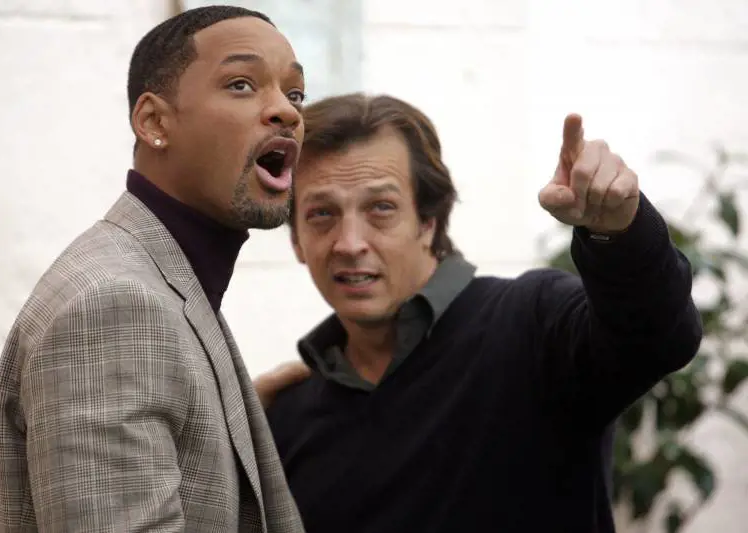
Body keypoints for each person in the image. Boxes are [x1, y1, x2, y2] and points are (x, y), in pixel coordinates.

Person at [261, 93, 702, 533]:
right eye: (321, 214)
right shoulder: (284, 419)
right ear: (297, 239)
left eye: (381, 208)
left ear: (428, 222)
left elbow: (657, 337)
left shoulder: (530, 325)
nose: (350, 243)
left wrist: (619, 231)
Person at [0, 6, 308, 532]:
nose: (285, 112)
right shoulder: (113, 307)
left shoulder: (165, 279)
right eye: (241, 84)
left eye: (295, 94)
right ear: (155, 122)